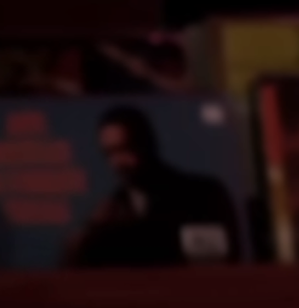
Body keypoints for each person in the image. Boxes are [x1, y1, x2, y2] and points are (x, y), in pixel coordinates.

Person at [64, 105, 243, 268]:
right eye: (109, 153)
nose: (117, 163)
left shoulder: (203, 193)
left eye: (125, 149)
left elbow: (226, 256)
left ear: (147, 144)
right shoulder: (109, 213)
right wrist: (89, 232)